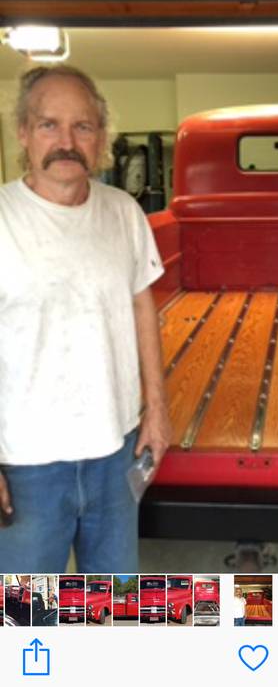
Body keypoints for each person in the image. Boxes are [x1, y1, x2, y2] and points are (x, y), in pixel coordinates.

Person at [0, 65, 171, 573]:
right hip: (25, 459)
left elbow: (143, 306)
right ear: (24, 134)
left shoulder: (124, 213)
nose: (66, 141)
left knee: (114, 604)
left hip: (114, 450)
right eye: (49, 124)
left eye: (83, 126)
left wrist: (156, 409)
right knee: (27, 616)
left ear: (102, 138)